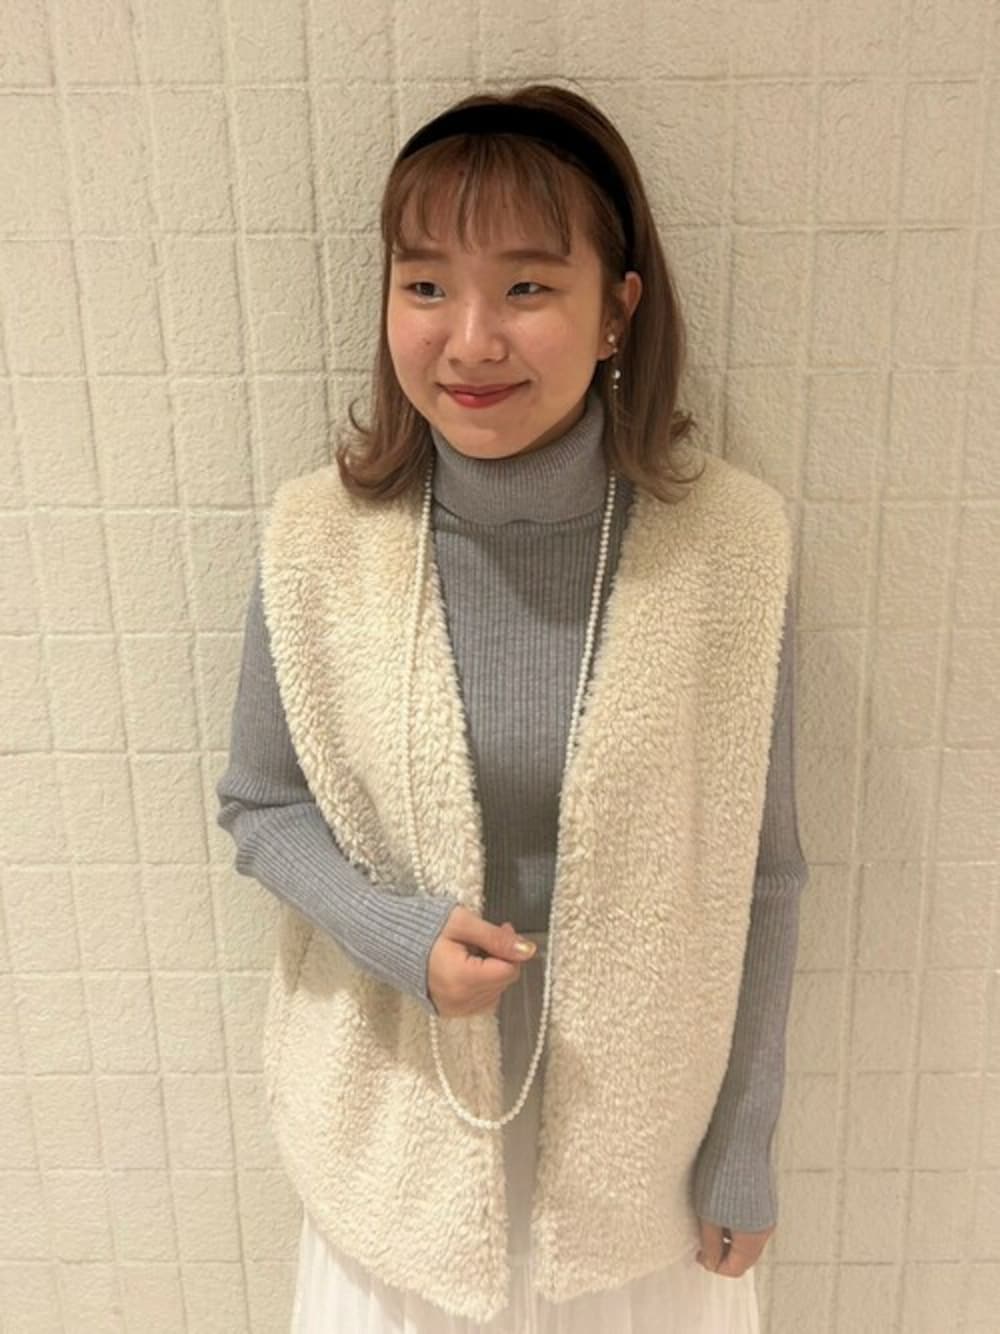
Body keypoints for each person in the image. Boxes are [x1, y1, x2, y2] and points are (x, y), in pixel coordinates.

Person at [216, 82, 809, 1333]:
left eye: (527, 286)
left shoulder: (730, 550)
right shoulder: (317, 541)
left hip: (643, 1151)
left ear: (617, 310)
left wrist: (745, 1141)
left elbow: (763, 871)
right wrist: (394, 934)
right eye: (426, 284)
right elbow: (262, 804)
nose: (470, 339)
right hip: (400, 1135)